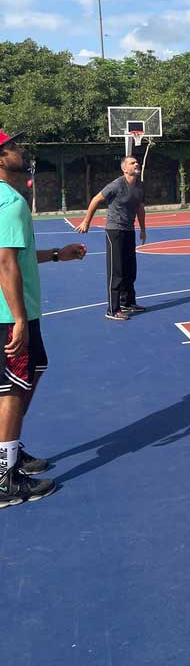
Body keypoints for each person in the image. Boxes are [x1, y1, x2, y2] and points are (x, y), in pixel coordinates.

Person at [0, 130, 87, 507]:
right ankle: (5, 476)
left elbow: (16, 257)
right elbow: (4, 262)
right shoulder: (10, 202)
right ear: (1, 158)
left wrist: (56, 255)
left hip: (17, 311)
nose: (21, 151)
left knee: (31, 373)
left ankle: (10, 450)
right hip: (10, 314)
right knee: (14, 387)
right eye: (13, 146)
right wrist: (19, 318)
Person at [76, 155, 146, 320]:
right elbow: (96, 199)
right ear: (125, 169)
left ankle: (127, 303)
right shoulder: (116, 185)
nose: (137, 164)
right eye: (132, 163)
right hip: (114, 230)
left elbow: (140, 208)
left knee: (130, 269)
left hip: (129, 229)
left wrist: (143, 229)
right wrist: (86, 221)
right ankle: (112, 309)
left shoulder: (140, 186)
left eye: (137, 162)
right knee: (117, 271)